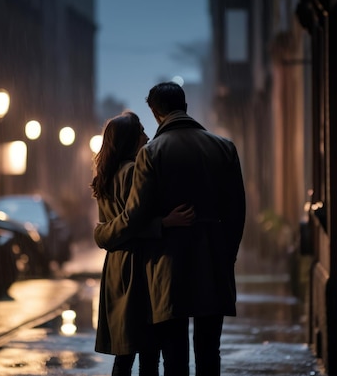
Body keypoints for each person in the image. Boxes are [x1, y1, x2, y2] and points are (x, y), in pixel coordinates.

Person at [94, 82, 246, 376]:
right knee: (208, 350)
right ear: (185, 107)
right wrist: (228, 254)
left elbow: (135, 215)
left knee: (174, 355)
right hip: (214, 260)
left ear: (155, 113)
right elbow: (236, 212)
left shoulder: (152, 153)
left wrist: (108, 232)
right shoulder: (224, 147)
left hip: (166, 267)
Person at [90, 110, 194, 376]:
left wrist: (102, 234)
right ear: (130, 140)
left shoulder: (106, 175)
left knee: (124, 354)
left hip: (116, 267)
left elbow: (109, 228)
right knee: (148, 353)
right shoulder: (134, 171)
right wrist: (164, 223)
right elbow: (132, 221)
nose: (147, 137)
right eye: (141, 133)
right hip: (137, 267)